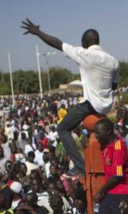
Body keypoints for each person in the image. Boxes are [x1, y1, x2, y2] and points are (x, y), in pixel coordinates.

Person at [21, 21, 119, 176]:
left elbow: (57, 43)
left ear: (86, 42)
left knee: (62, 129)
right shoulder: (113, 60)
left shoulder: (84, 54)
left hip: (90, 105)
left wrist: (38, 32)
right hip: (106, 106)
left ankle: (80, 167)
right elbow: (114, 86)